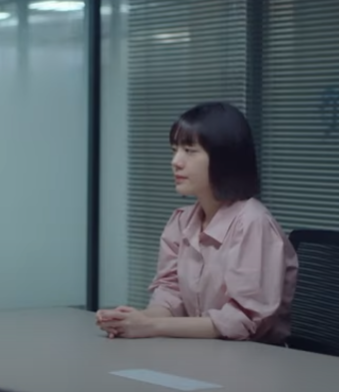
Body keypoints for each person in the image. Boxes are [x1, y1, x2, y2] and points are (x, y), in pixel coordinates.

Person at [97, 102, 298, 344]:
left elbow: (243, 320)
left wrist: (151, 326)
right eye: (175, 150)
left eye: (190, 151)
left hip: (252, 358)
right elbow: (171, 294)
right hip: (203, 353)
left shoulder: (253, 224)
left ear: (225, 157)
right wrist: (135, 320)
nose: (176, 161)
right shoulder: (182, 221)